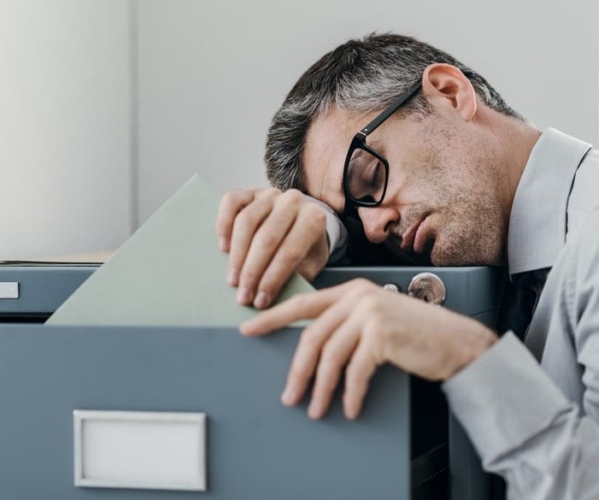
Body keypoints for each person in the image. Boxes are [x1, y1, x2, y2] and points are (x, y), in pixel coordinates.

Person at [216, 33, 599, 498]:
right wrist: (321, 226)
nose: (375, 229)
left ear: (450, 94)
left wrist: (470, 359)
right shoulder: (491, 255)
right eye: (354, 223)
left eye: (370, 177)